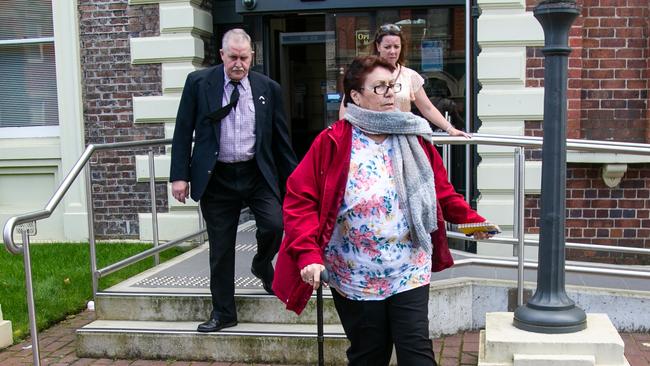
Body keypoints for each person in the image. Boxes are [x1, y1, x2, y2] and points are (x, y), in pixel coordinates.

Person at [273, 56, 494, 365]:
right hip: (354, 274)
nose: (390, 93)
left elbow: (439, 191)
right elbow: (300, 201)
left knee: (417, 355)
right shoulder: (332, 142)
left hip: (409, 267)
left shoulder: (414, 137)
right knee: (368, 356)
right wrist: (308, 254)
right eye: (379, 87)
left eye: (392, 86)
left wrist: (472, 220)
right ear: (355, 96)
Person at [170, 28, 297, 333]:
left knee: (274, 225)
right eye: (233, 57)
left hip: (256, 173)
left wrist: (295, 182)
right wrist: (179, 176)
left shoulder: (268, 88)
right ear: (222, 55)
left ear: (252, 56)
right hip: (217, 177)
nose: (238, 63)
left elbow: (281, 141)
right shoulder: (199, 83)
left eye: (244, 57)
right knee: (221, 248)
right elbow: (183, 129)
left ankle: (262, 264)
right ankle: (224, 312)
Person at [339, 23, 471, 138]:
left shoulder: (410, 75)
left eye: (396, 46)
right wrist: (344, 136)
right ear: (378, 46)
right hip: (369, 137)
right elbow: (347, 106)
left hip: (401, 138)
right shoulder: (363, 73)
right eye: (387, 47)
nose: (392, 51)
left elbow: (428, 108)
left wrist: (450, 129)